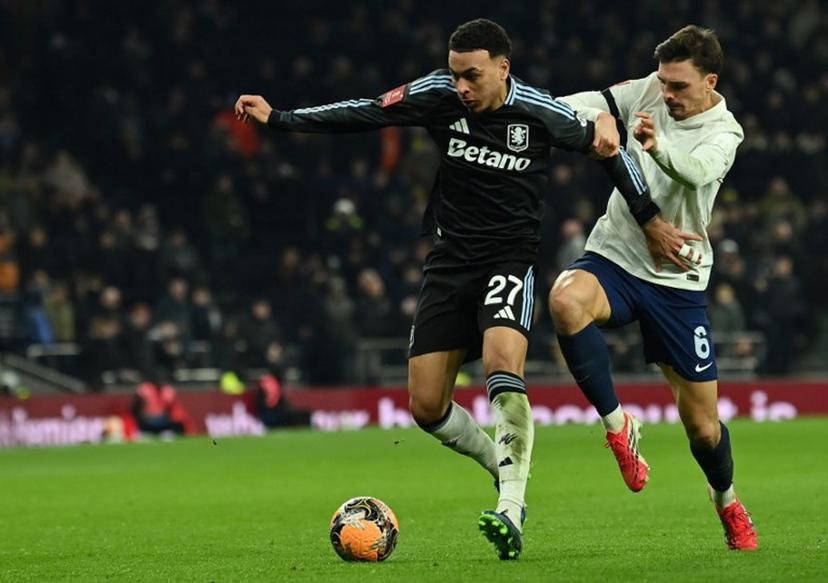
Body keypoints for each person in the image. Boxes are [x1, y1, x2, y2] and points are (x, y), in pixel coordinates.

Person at [235, 18, 692, 559]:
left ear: (503, 69)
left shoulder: (541, 112)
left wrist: (650, 220)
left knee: (502, 365)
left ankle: (512, 509)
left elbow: (610, 152)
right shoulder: (437, 95)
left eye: (472, 76)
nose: (461, 87)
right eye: (455, 74)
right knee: (426, 406)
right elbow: (366, 111)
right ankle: (501, 466)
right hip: (450, 263)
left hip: (509, 261)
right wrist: (280, 118)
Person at [551, 25, 757, 550]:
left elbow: (696, 171)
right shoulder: (649, 89)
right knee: (565, 299)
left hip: (677, 280)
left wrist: (657, 146)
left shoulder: (726, 132)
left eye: (679, 86)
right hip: (617, 256)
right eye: (663, 82)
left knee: (703, 428)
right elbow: (569, 104)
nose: (666, 94)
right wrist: (598, 117)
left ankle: (727, 500)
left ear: (710, 82)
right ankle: (619, 426)